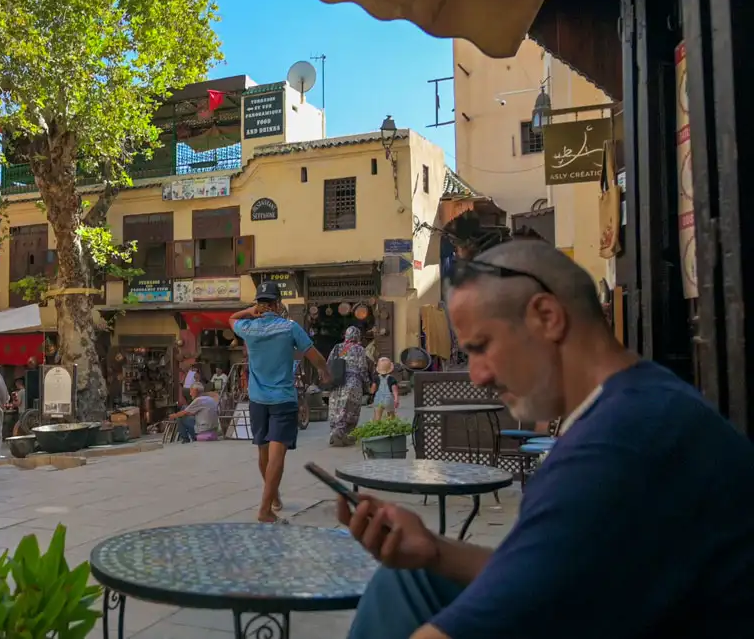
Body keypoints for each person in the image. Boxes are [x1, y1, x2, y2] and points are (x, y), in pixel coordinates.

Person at [340, 240, 754, 639]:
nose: (478, 375)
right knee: (411, 580)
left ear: (546, 316)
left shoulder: (613, 448)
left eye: (482, 346)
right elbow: (542, 574)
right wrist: (434, 550)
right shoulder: (640, 403)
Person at [231, 281, 330, 524]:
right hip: (282, 400)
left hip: (257, 400)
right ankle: (265, 510)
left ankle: (273, 498)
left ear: (258, 304)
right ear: (277, 304)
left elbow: (231, 319)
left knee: (263, 451)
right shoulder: (290, 327)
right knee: (277, 457)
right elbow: (313, 355)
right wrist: (324, 370)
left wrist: (248, 311)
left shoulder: (248, 328)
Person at [326, 326, 371, 446]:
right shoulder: (359, 349)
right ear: (357, 336)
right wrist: (367, 385)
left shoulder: (338, 347)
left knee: (336, 407)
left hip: (337, 382)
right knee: (350, 409)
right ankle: (343, 434)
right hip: (353, 383)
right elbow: (363, 368)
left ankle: (334, 432)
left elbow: (329, 363)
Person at [370, 356, 400, 421]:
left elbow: (373, 389)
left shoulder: (376, 378)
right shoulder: (392, 379)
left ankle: (376, 429)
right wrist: (396, 399)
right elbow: (394, 390)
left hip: (378, 399)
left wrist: (371, 393)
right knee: (391, 418)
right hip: (388, 399)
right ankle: (390, 429)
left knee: (377, 418)